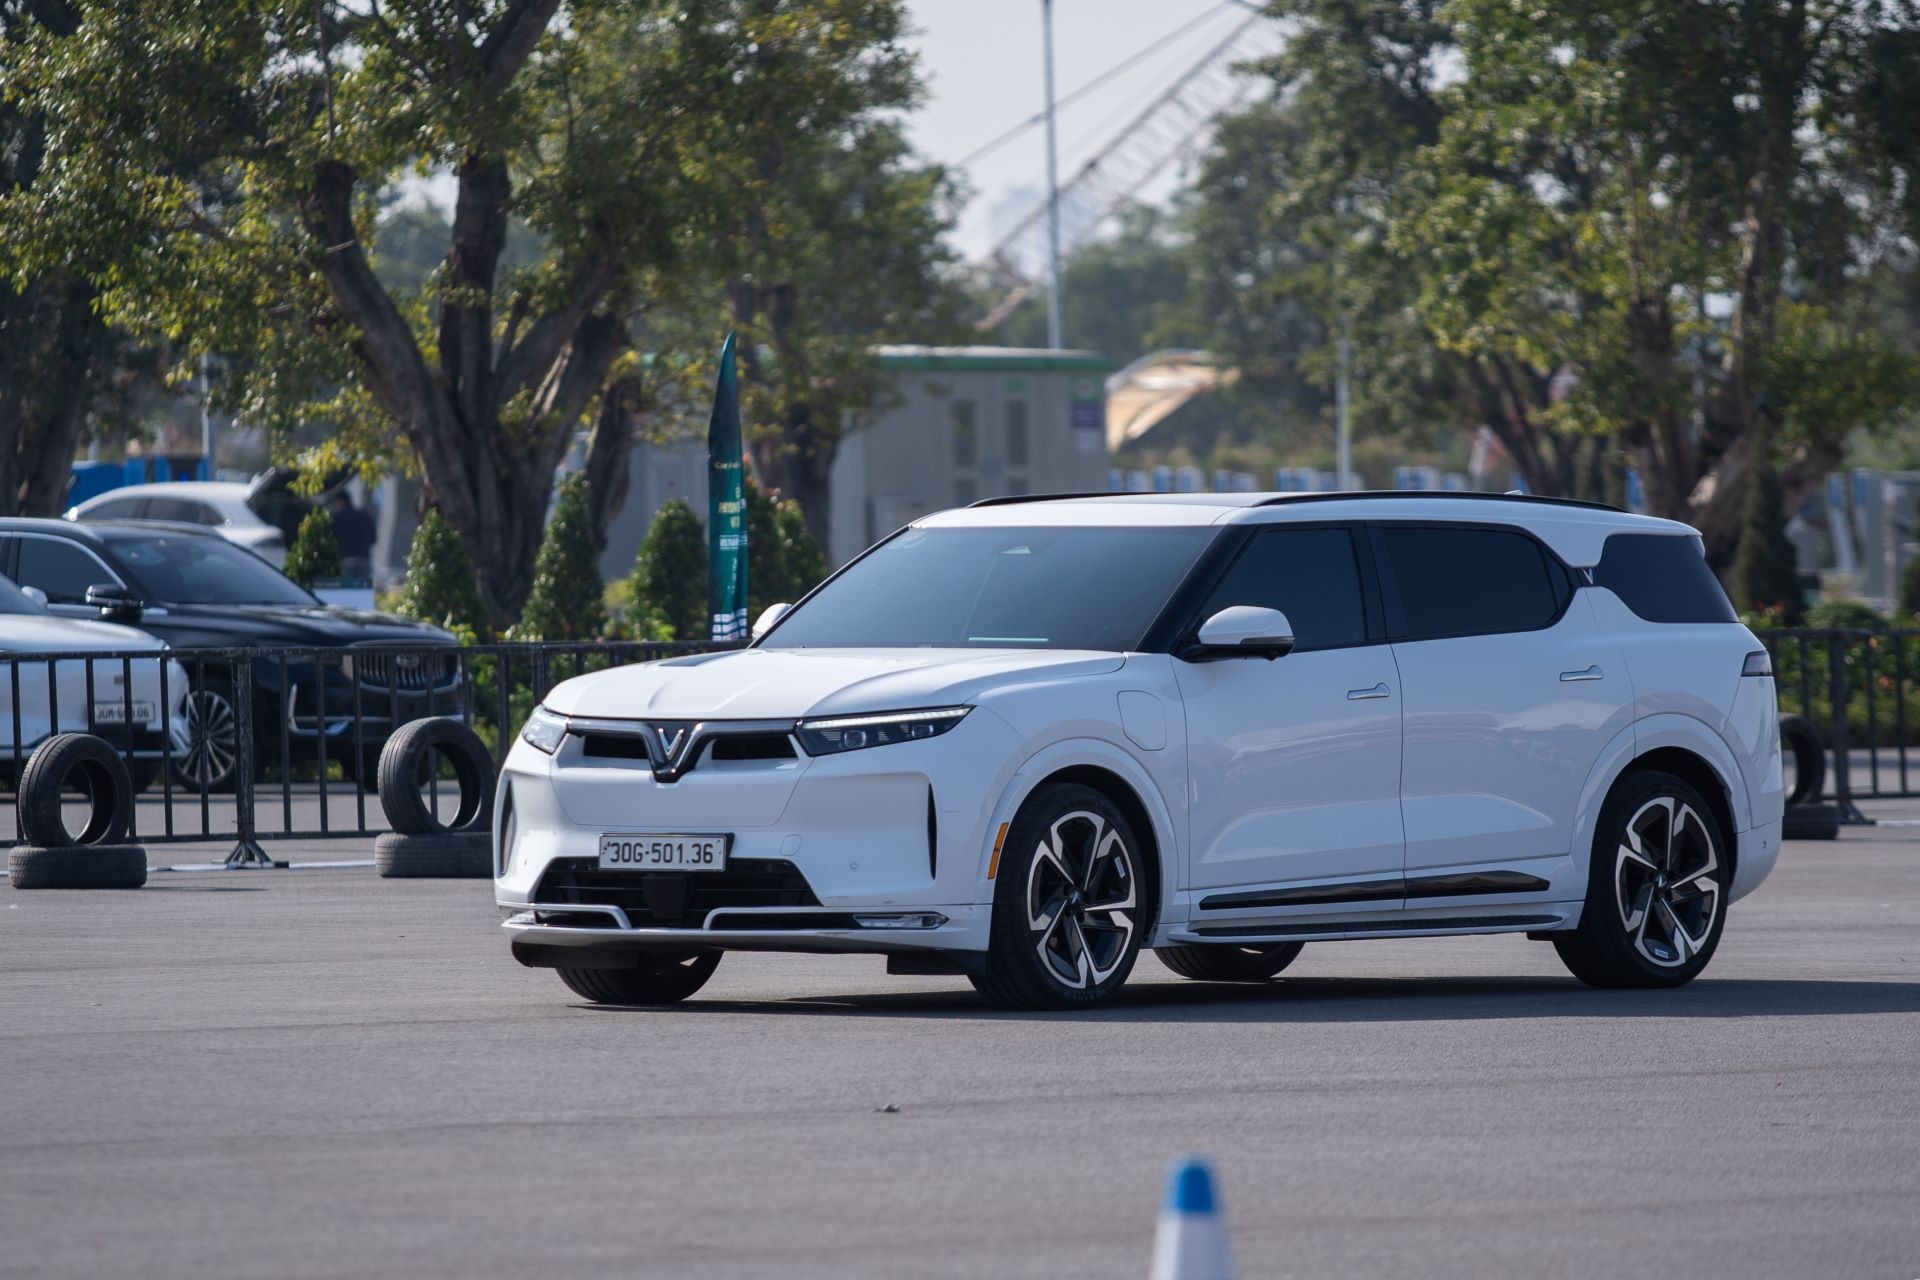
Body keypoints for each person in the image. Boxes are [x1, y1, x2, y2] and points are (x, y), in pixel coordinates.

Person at [329, 490, 377, 578]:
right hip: (363, 559)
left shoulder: (336, 517)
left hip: (345, 560)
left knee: (346, 585)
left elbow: (332, 539)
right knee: (363, 585)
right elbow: (373, 539)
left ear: (339, 501)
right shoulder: (365, 516)